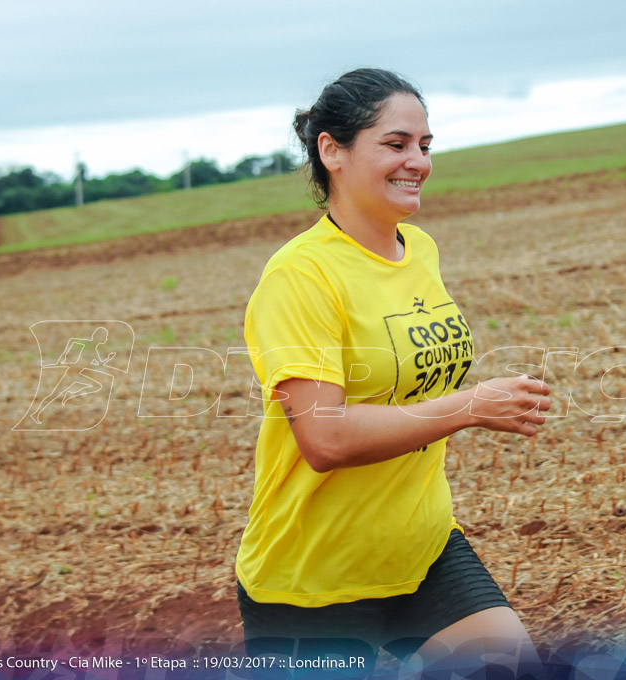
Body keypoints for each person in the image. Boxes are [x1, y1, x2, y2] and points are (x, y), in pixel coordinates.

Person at [237, 68, 551, 677]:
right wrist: (470, 406)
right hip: (314, 580)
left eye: (425, 146)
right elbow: (324, 439)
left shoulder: (420, 249)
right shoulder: (300, 277)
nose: (418, 161)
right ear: (332, 149)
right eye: (396, 143)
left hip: (422, 549)